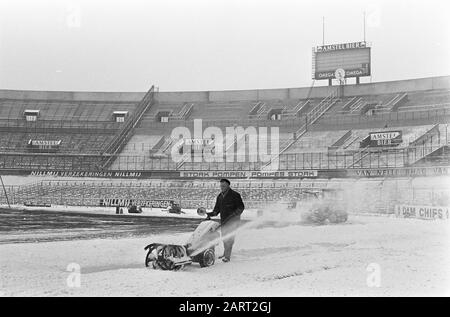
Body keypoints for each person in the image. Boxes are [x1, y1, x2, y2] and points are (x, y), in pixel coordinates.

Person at [206, 178, 245, 262]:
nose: (222, 187)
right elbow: (216, 210)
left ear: (228, 185)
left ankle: (227, 256)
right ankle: (225, 253)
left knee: (229, 238)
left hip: (233, 221)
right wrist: (210, 214)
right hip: (224, 221)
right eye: (221, 186)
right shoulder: (220, 196)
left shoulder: (235, 195)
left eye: (223, 185)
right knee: (224, 237)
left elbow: (241, 207)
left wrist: (235, 214)